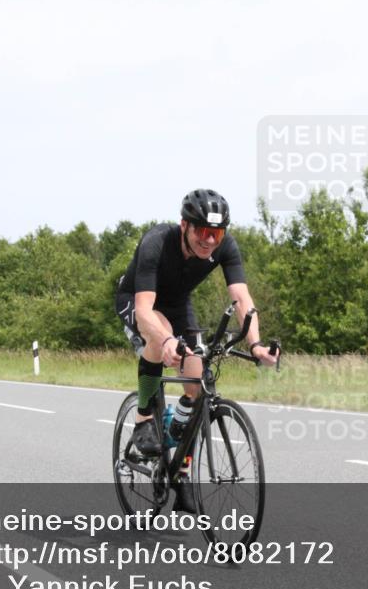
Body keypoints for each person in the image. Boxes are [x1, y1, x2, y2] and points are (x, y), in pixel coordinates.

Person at [115, 189, 280, 512]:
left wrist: (256, 344)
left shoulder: (225, 247)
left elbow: (242, 300)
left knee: (198, 374)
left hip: (179, 305)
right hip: (138, 300)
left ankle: (182, 472)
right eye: (203, 231)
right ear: (184, 226)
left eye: (216, 233)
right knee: (158, 338)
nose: (209, 240)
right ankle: (143, 419)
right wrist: (165, 341)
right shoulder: (157, 242)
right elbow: (146, 311)